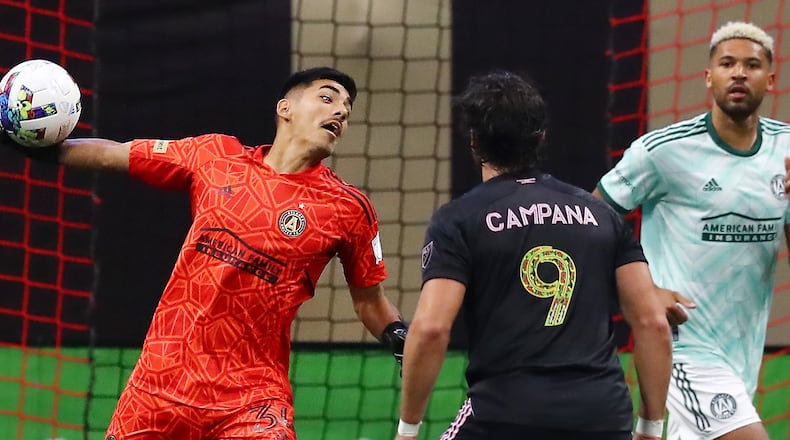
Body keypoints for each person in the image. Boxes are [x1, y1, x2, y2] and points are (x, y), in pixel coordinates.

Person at [2, 67, 408, 439]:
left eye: (346, 108)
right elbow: (116, 153)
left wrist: (402, 338)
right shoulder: (215, 156)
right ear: (285, 108)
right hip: (159, 386)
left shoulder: (348, 208)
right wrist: (35, 146)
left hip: (251, 398)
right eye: (327, 97)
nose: (341, 112)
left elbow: (369, 302)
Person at [395, 70, 674, 440]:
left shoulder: (457, 220)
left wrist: (408, 430)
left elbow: (431, 328)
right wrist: (651, 428)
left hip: (506, 414)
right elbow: (653, 322)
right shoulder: (602, 215)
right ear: (541, 137)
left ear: (474, 141)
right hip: (602, 415)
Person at [594, 21, 790, 440]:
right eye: (728, 63)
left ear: (771, 80)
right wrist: (643, 292)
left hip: (742, 353)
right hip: (682, 346)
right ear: (708, 77)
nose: (739, 73)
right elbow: (589, 223)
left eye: (752, 65)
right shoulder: (663, 151)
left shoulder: (786, 150)